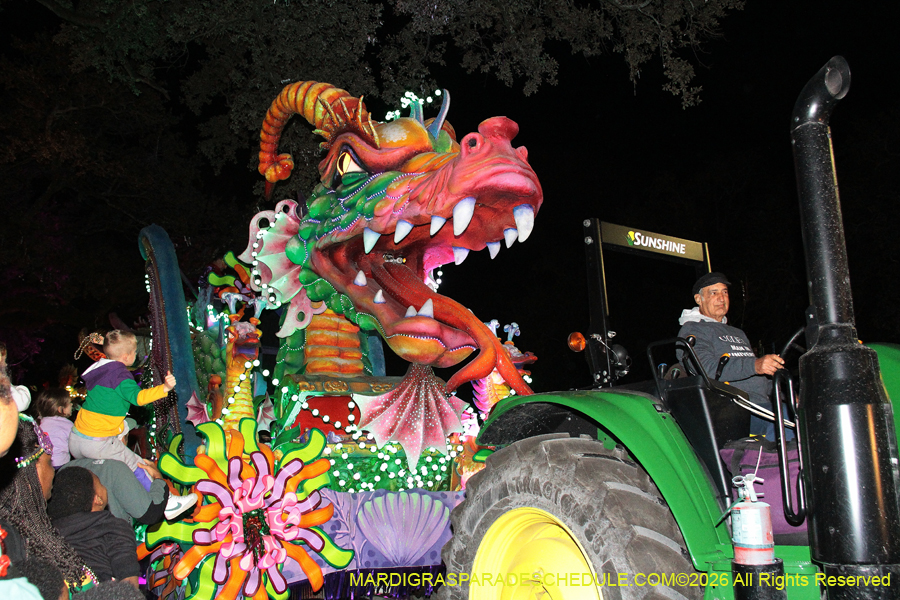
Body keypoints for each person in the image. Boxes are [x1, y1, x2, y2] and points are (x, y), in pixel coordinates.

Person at [678, 272, 785, 436]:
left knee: (805, 411)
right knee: (788, 421)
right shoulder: (692, 330)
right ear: (699, 299)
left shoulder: (738, 333)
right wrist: (755, 365)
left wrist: (788, 396)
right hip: (734, 408)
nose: (721, 298)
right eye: (714, 293)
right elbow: (705, 369)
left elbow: (759, 376)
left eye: (725, 292)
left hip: (763, 404)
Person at [0, 416, 97, 592]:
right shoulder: (9, 539)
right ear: (31, 470)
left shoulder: (27, 528)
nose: (53, 471)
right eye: (48, 462)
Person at [69, 330, 175, 488]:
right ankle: (163, 501)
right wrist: (165, 388)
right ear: (126, 357)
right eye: (134, 352)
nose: (135, 355)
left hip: (76, 438)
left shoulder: (100, 368)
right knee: (138, 464)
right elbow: (139, 398)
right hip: (96, 442)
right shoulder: (120, 375)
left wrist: (105, 341)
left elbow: (112, 347)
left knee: (128, 424)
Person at [47, 467, 140, 588]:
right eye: (100, 483)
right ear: (98, 499)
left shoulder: (49, 531)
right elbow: (128, 581)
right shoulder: (113, 527)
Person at [34, 389, 74, 468]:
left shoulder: (39, 421)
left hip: (42, 464)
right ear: (60, 409)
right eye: (69, 403)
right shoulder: (67, 424)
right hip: (61, 463)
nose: (72, 405)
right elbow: (74, 446)